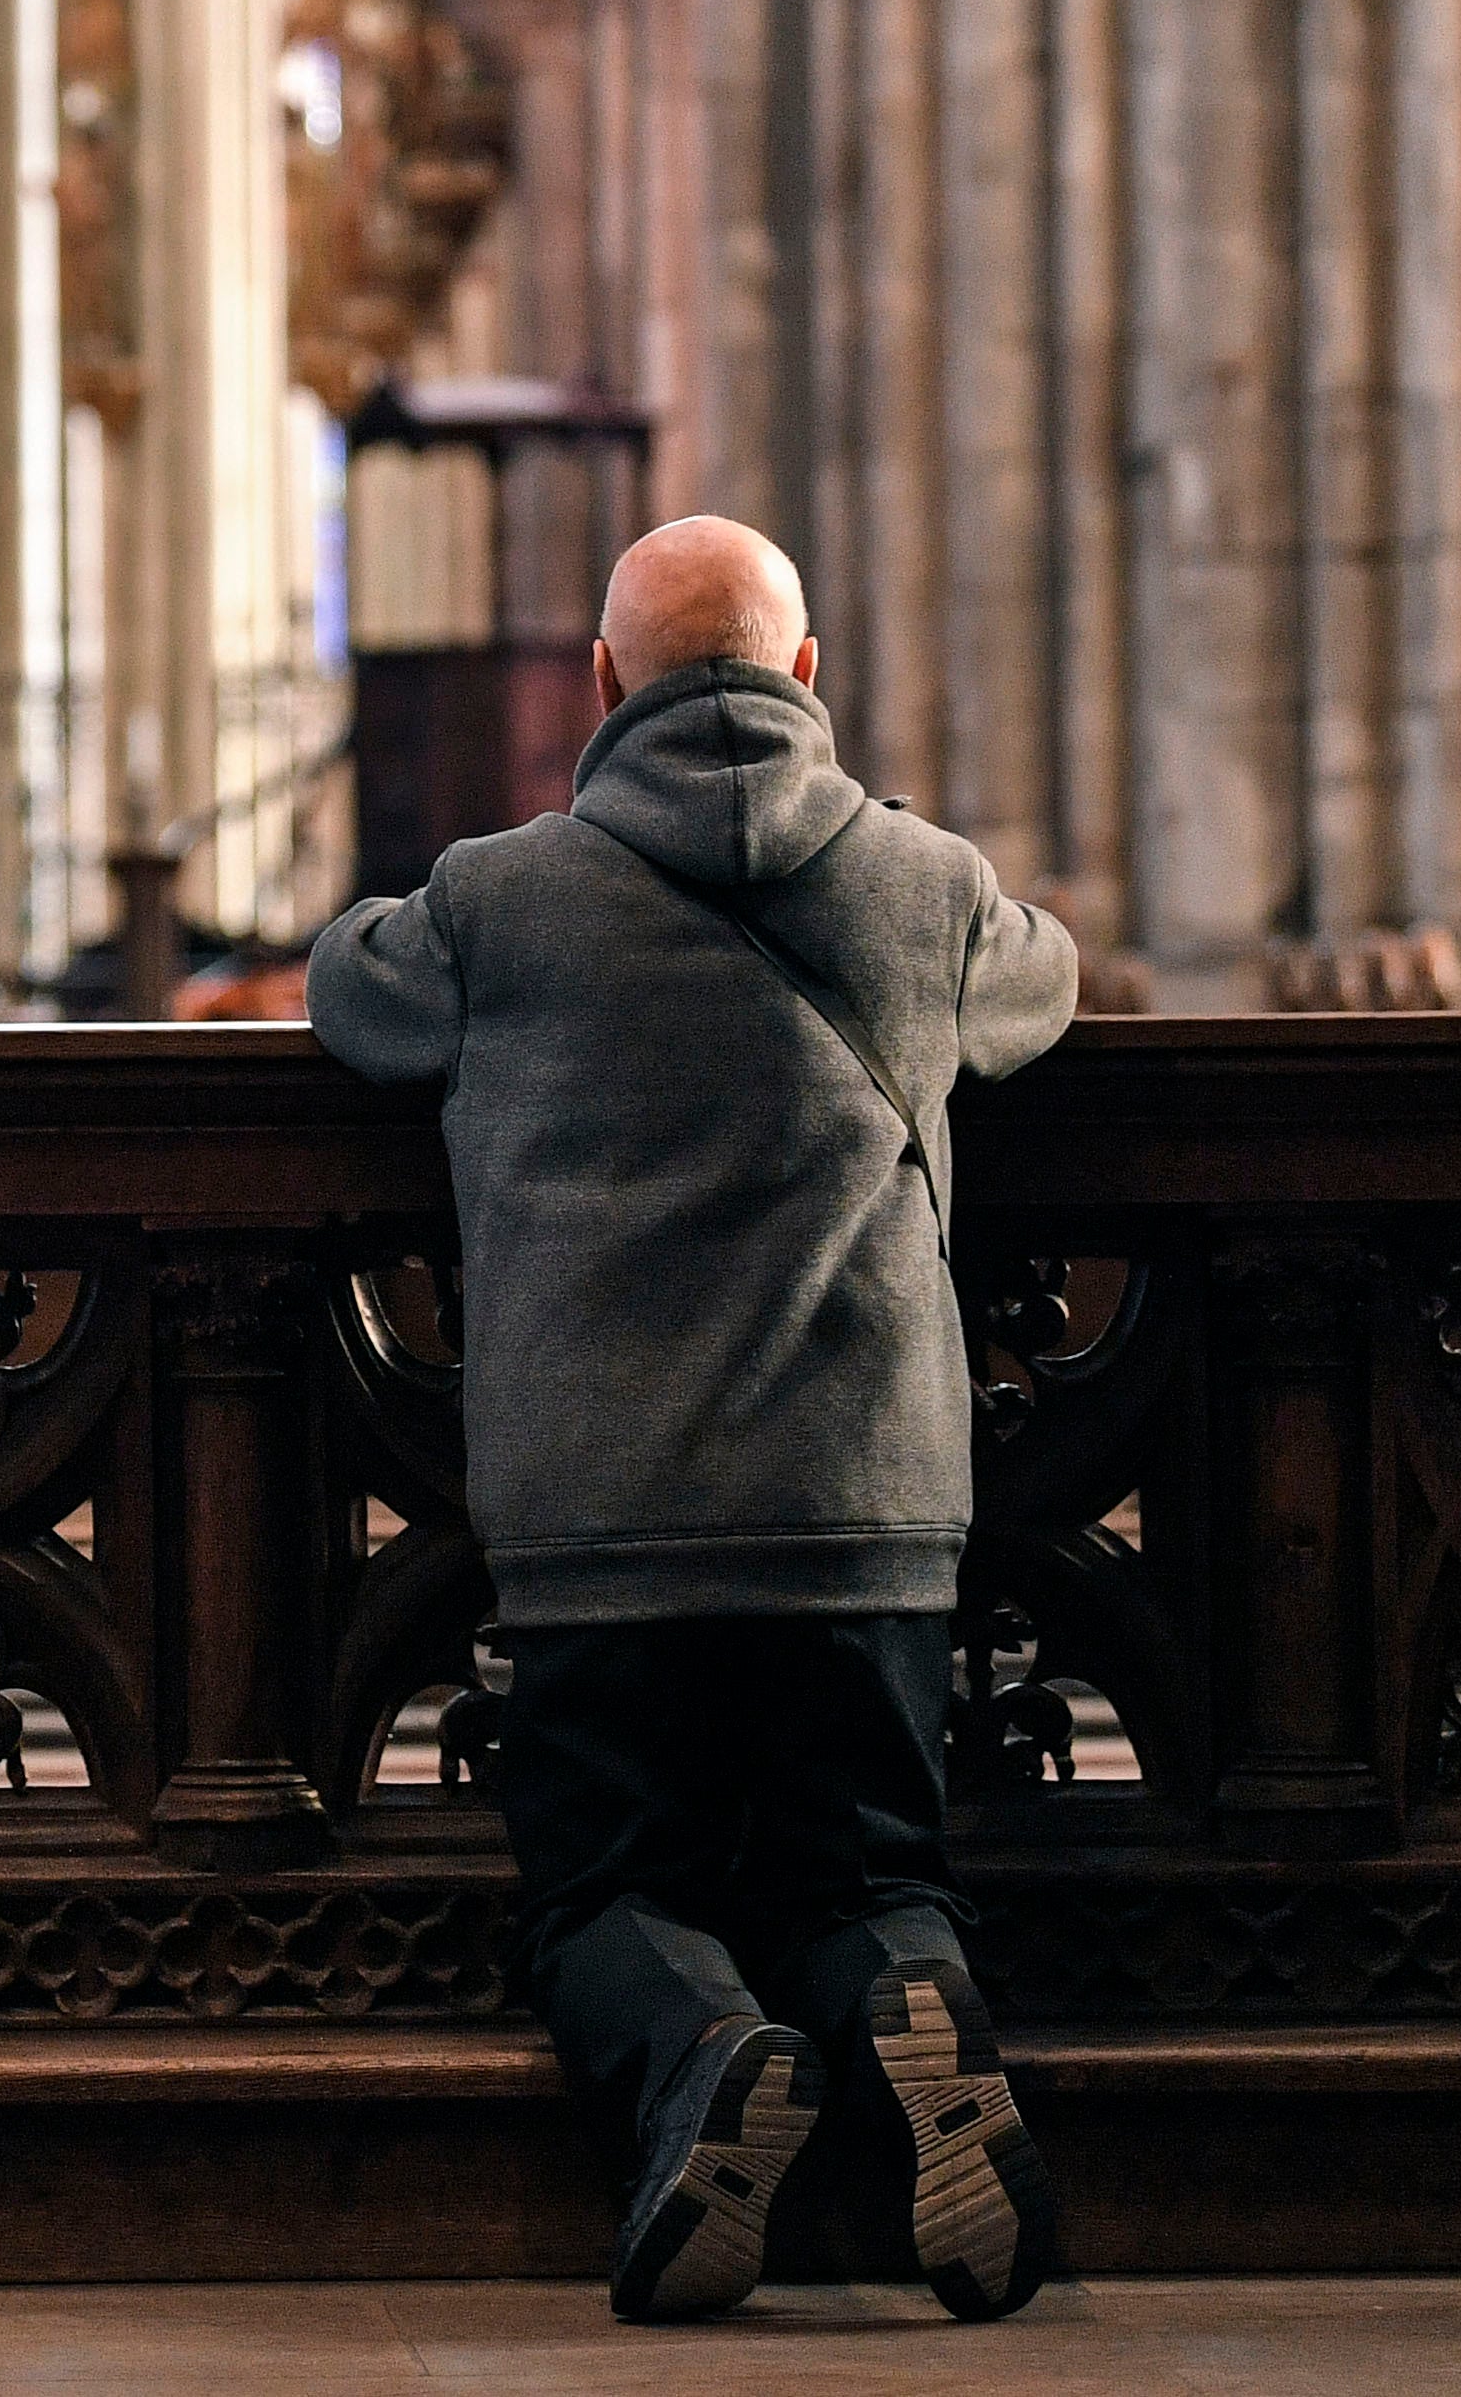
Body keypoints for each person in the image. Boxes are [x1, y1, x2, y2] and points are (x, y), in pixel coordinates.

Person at [306, 515, 1076, 2325]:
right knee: (866, 1862)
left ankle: (701, 2041)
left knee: (605, 1888)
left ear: (600, 687)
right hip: (867, 1508)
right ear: (808, 676)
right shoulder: (926, 883)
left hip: (602, 1524)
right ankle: (916, 2001)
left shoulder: (498, 900)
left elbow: (351, 986)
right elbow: (1046, 980)